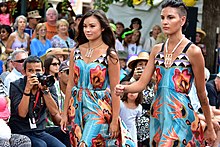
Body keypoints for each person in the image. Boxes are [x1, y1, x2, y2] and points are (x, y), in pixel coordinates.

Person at [115, 0, 216, 146]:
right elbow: (141, 83)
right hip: (157, 113)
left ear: (182, 20)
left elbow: (202, 94)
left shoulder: (193, 51)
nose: (165, 22)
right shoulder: (157, 49)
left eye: (170, 17)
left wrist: (210, 127)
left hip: (180, 115)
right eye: (162, 18)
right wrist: (124, 88)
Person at [60, 9, 135, 147]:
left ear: (103, 28)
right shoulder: (75, 51)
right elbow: (70, 83)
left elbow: (115, 90)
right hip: (75, 106)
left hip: (98, 107)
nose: (87, 30)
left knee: (85, 144)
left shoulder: (110, 54)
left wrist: (114, 120)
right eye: (84, 26)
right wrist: (64, 114)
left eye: (92, 26)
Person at [8, 55, 65, 147]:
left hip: (39, 130)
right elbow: (22, 114)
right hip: (21, 130)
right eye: (30, 71)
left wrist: (45, 91)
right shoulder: (16, 85)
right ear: (24, 72)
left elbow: (55, 112)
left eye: (38, 71)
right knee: (40, 145)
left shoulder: (48, 83)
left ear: (43, 70)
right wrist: (27, 90)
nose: (35, 74)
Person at [120, 82, 143, 146]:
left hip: (131, 129)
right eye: (130, 91)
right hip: (121, 127)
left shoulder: (139, 107)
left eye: (134, 92)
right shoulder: (120, 104)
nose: (132, 93)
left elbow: (138, 118)